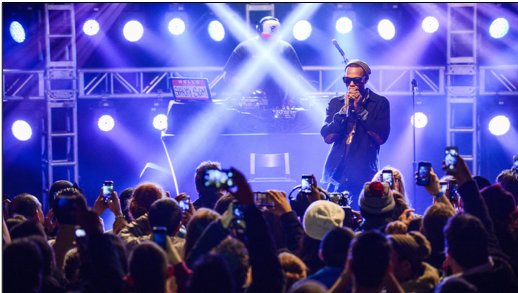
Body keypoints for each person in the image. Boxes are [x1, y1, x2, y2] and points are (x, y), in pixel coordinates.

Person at [321, 60, 390, 209]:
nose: (351, 84)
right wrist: (343, 111)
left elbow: (381, 137)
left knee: (363, 215)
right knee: (333, 215)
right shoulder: (336, 103)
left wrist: (359, 110)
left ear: (365, 80)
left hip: (364, 172)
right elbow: (327, 137)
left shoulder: (379, 103)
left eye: (356, 80)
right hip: (337, 171)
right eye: (347, 80)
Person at [223, 16, 304, 108]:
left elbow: (296, 77)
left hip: (279, 103)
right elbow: (228, 76)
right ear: (259, 31)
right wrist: (248, 88)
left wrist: (290, 98)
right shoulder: (244, 48)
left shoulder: (286, 49)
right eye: (267, 38)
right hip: (248, 105)